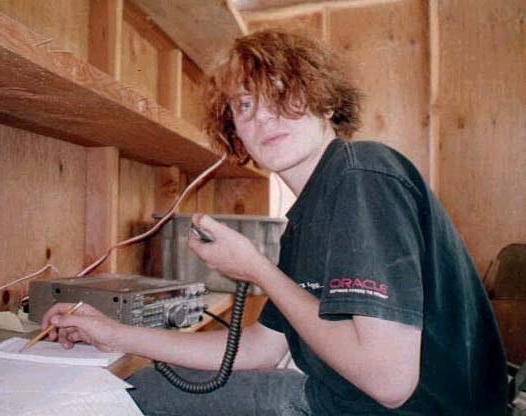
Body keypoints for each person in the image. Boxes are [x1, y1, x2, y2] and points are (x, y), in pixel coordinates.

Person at [41, 29, 508, 415]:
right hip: (342, 399)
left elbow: (389, 382)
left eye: (283, 94)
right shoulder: (309, 213)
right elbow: (260, 349)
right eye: (244, 105)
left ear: (327, 104)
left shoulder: (361, 175)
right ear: (234, 130)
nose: (263, 117)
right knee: (143, 387)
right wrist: (114, 334)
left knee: (132, 399)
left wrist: (258, 269)